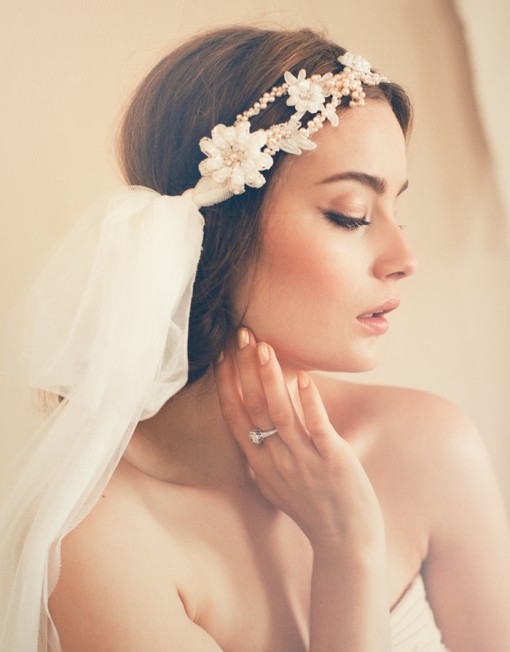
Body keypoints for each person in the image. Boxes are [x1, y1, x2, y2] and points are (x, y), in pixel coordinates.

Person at [1, 25, 509, 652]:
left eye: (397, 210)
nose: (404, 257)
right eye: (350, 214)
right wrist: (348, 551)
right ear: (215, 229)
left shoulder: (431, 448)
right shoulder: (99, 542)